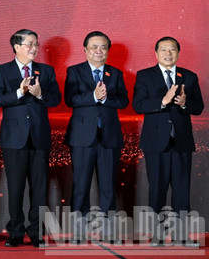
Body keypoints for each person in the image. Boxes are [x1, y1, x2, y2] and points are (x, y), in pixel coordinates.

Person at [0, 29, 61, 247]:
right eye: (29, 44)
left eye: (36, 44)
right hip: (13, 139)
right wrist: (19, 92)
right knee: (16, 187)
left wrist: (39, 94)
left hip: (39, 138)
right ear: (17, 47)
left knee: (40, 189)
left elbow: (56, 99)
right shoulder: (2, 71)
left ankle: (37, 232)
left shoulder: (46, 71)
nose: (34, 48)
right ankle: (16, 232)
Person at [132, 37, 204, 215]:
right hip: (155, 143)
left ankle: (181, 233)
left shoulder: (189, 76)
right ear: (156, 53)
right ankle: (158, 233)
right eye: (163, 49)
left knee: (182, 190)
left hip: (181, 141)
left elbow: (199, 107)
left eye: (172, 49)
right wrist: (162, 101)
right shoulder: (144, 75)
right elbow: (138, 105)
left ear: (178, 53)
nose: (168, 53)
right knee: (157, 190)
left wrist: (185, 103)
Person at [64, 32, 128, 225]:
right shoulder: (74, 71)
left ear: (108, 50)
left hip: (109, 136)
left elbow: (124, 101)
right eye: (94, 47)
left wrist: (106, 98)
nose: (99, 51)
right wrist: (93, 96)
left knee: (108, 184)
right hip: (82, 136)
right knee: (81, 184)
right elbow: (70, 99)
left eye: (103, 47)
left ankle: (108, 224)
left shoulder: (115, 73)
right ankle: (79, 224)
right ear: (85, 50)